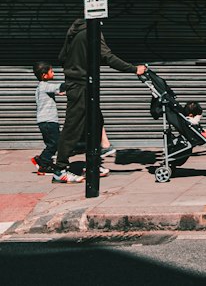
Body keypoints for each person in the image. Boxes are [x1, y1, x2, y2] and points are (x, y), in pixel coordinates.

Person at [51, 18, 146, 185]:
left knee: (96, 122)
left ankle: (93, 162)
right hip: (81, 85)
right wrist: (133, 69)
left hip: (77, 83)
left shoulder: (75, 32)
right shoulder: (91, 32)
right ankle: (60, 170)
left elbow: (62, 56)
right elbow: (107, 56)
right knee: (73, 127)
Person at [31, 61, 62, 175]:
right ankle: (43, 162)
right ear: (44, 75)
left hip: (44, 121)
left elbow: (56, 90)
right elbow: (60, 87)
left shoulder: (41, 87)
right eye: (52, 71)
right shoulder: (46, 86)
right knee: (55, 144)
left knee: (52, 144)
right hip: (49, 121)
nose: (53, 73)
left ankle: (44, 161)